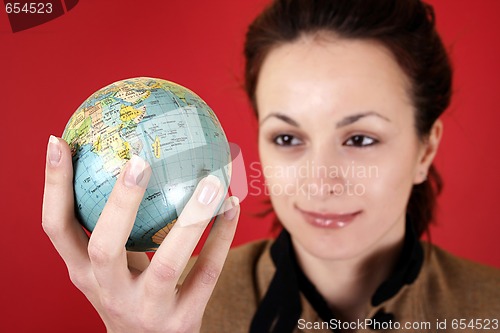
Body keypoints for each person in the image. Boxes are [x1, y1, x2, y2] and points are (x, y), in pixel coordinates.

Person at [42, 0, 500, 332]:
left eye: (360, 139)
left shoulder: (489, 308)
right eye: (288, 138)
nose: (319, 181)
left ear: (425, 149)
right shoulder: (168, 308)